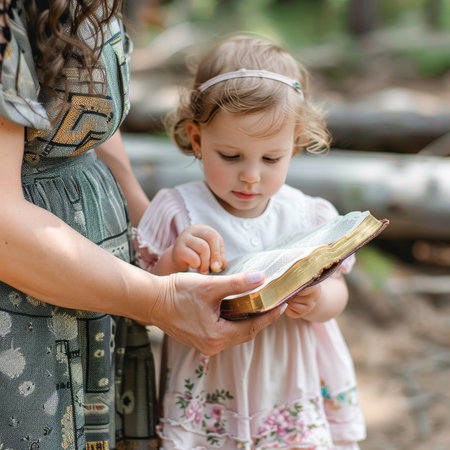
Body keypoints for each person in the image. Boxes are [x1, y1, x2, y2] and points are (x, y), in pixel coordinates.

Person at [0, 4, 282, 449]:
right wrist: (157, 300)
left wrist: (141, 215)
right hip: (22, 303)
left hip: (98, 291)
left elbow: (89, 111)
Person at [134, 35, 367, 449]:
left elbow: (338, 292)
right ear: (198, 138)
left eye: (271, 159)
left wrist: (318, 301)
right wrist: (173, 259)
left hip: (289, 381)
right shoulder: (178, 211)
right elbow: (147, 299)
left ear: (295, 146)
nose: (251, 176)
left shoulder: (308, 214)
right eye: (231, 156)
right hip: (211, 382)